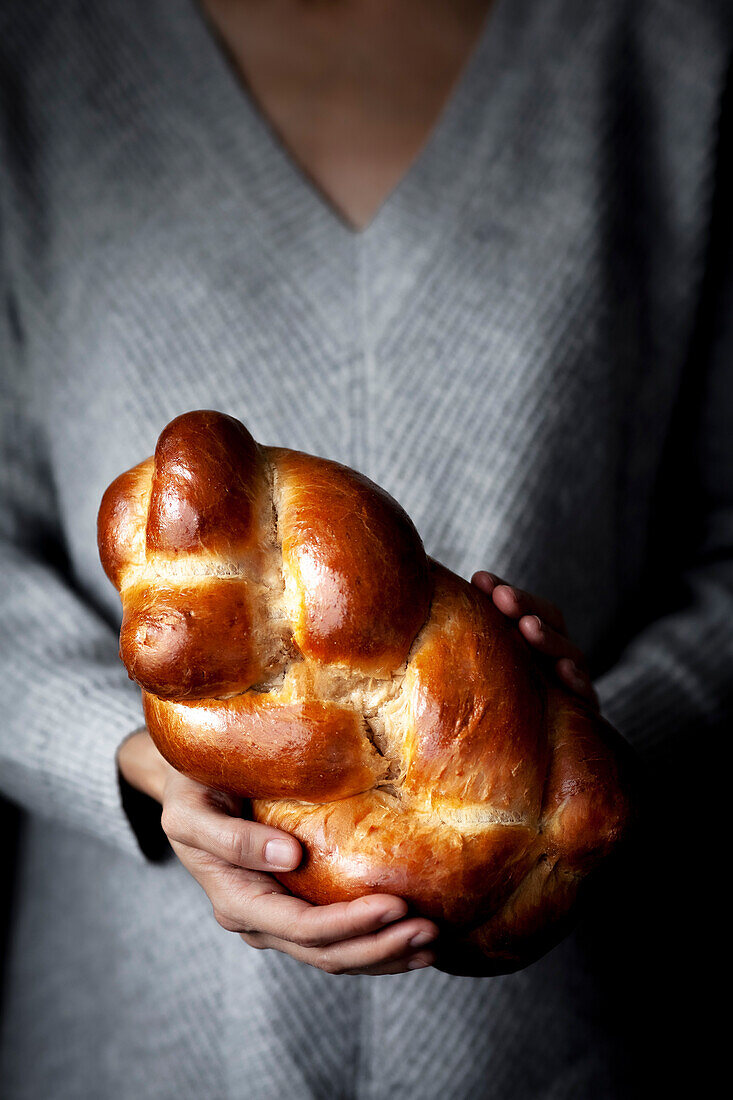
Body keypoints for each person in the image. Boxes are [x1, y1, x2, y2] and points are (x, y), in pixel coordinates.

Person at [0, 0, 729, 1097]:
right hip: (136, 1041)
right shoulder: (40, 58)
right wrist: (139, 759)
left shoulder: (667, 52)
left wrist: (602, 729)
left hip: (565, 1036)